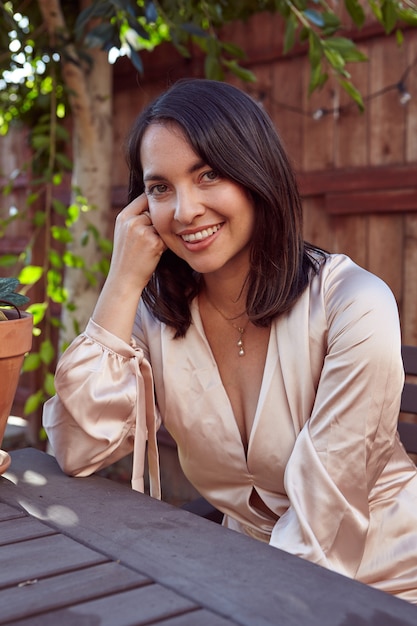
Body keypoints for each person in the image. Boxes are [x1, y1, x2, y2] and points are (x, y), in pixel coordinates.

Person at [43, 78, 417, 604]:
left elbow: (323, 521)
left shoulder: (354, 305)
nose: (185, 210)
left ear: (255, 173)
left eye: (209, 174)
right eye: (160, 188)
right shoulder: (157, 316)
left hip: (386, 584)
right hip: (242, 576)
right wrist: (121, 282)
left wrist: (230, 597)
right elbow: (77, 449)